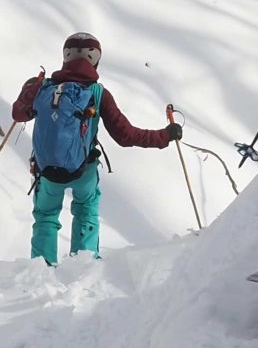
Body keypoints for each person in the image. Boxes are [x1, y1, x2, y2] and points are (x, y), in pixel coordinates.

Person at [10, 31, 181, 264]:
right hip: (85, 170)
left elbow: (18, 115)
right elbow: (126, 135)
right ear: (96, 59)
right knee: (85, 210)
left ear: (65, 56)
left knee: (46, 217)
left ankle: (41, 268)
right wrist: (165, 136)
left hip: (46, 170)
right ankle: (84, 263)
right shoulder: (99, 94)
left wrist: (29, 90)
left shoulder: (43, 88)